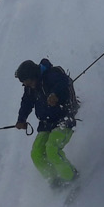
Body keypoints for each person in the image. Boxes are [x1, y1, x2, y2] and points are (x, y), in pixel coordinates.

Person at [15, 58, 79, 187]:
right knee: (36, 154)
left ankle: (72, 177)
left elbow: (63, 82)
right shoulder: (30, 88)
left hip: (64, 118)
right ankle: (55, 181)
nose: (26, 85)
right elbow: (26, 103)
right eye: (24, 83)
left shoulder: (51, 76)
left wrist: (55, 94)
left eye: (27, 81)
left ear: (33, 75)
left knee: (52, 149)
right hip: (46, 123)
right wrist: (21, 119)